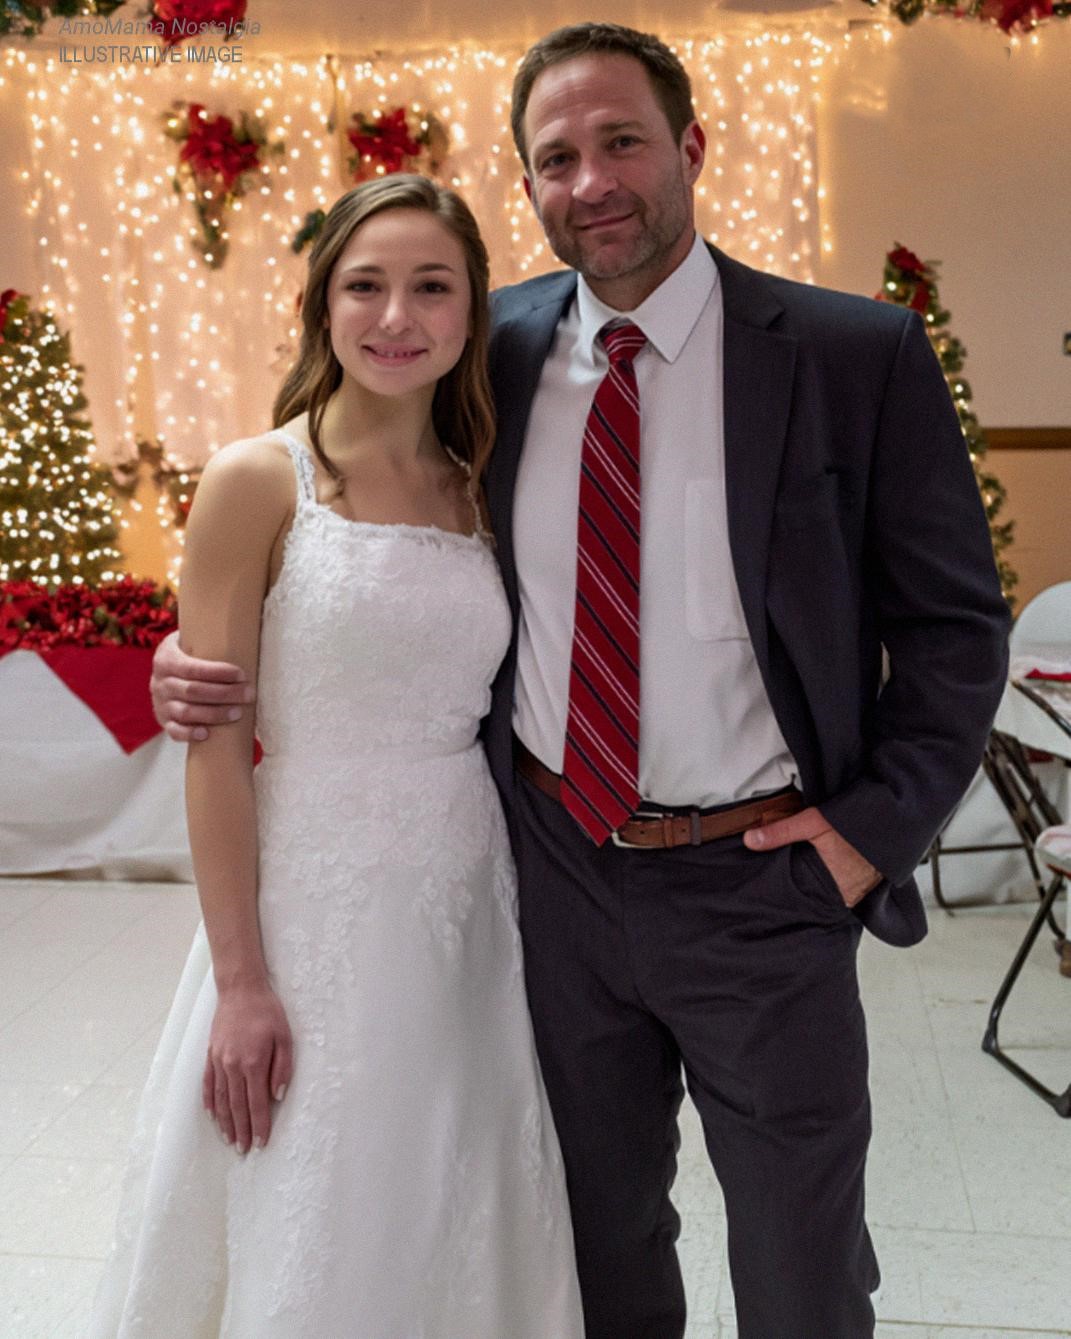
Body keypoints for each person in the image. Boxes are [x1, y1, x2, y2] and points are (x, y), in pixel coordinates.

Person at [151, 23, 1011, 1339]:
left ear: (690, 147)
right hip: (548, 876)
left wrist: (863, 837)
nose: (592, 181)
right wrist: (207, 653)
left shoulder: (852, 355)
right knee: (594, 1244)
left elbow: (954, 629)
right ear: (529, 185)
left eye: (622, 142)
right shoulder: (483, 349)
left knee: (801, 1260)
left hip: (764, 881)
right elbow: (359, 542)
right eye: (557, 158)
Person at [90, 175, 583, 1338]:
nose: (396, 317)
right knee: (315, 1196)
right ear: (322, 305)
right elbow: (214, 748)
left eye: (432, 287)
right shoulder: (258, 480)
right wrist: (242, 982)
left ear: (473, 311)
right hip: (310, 907)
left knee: (446, 1191)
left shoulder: (483, 484)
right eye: (365, 286)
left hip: (466, 904)